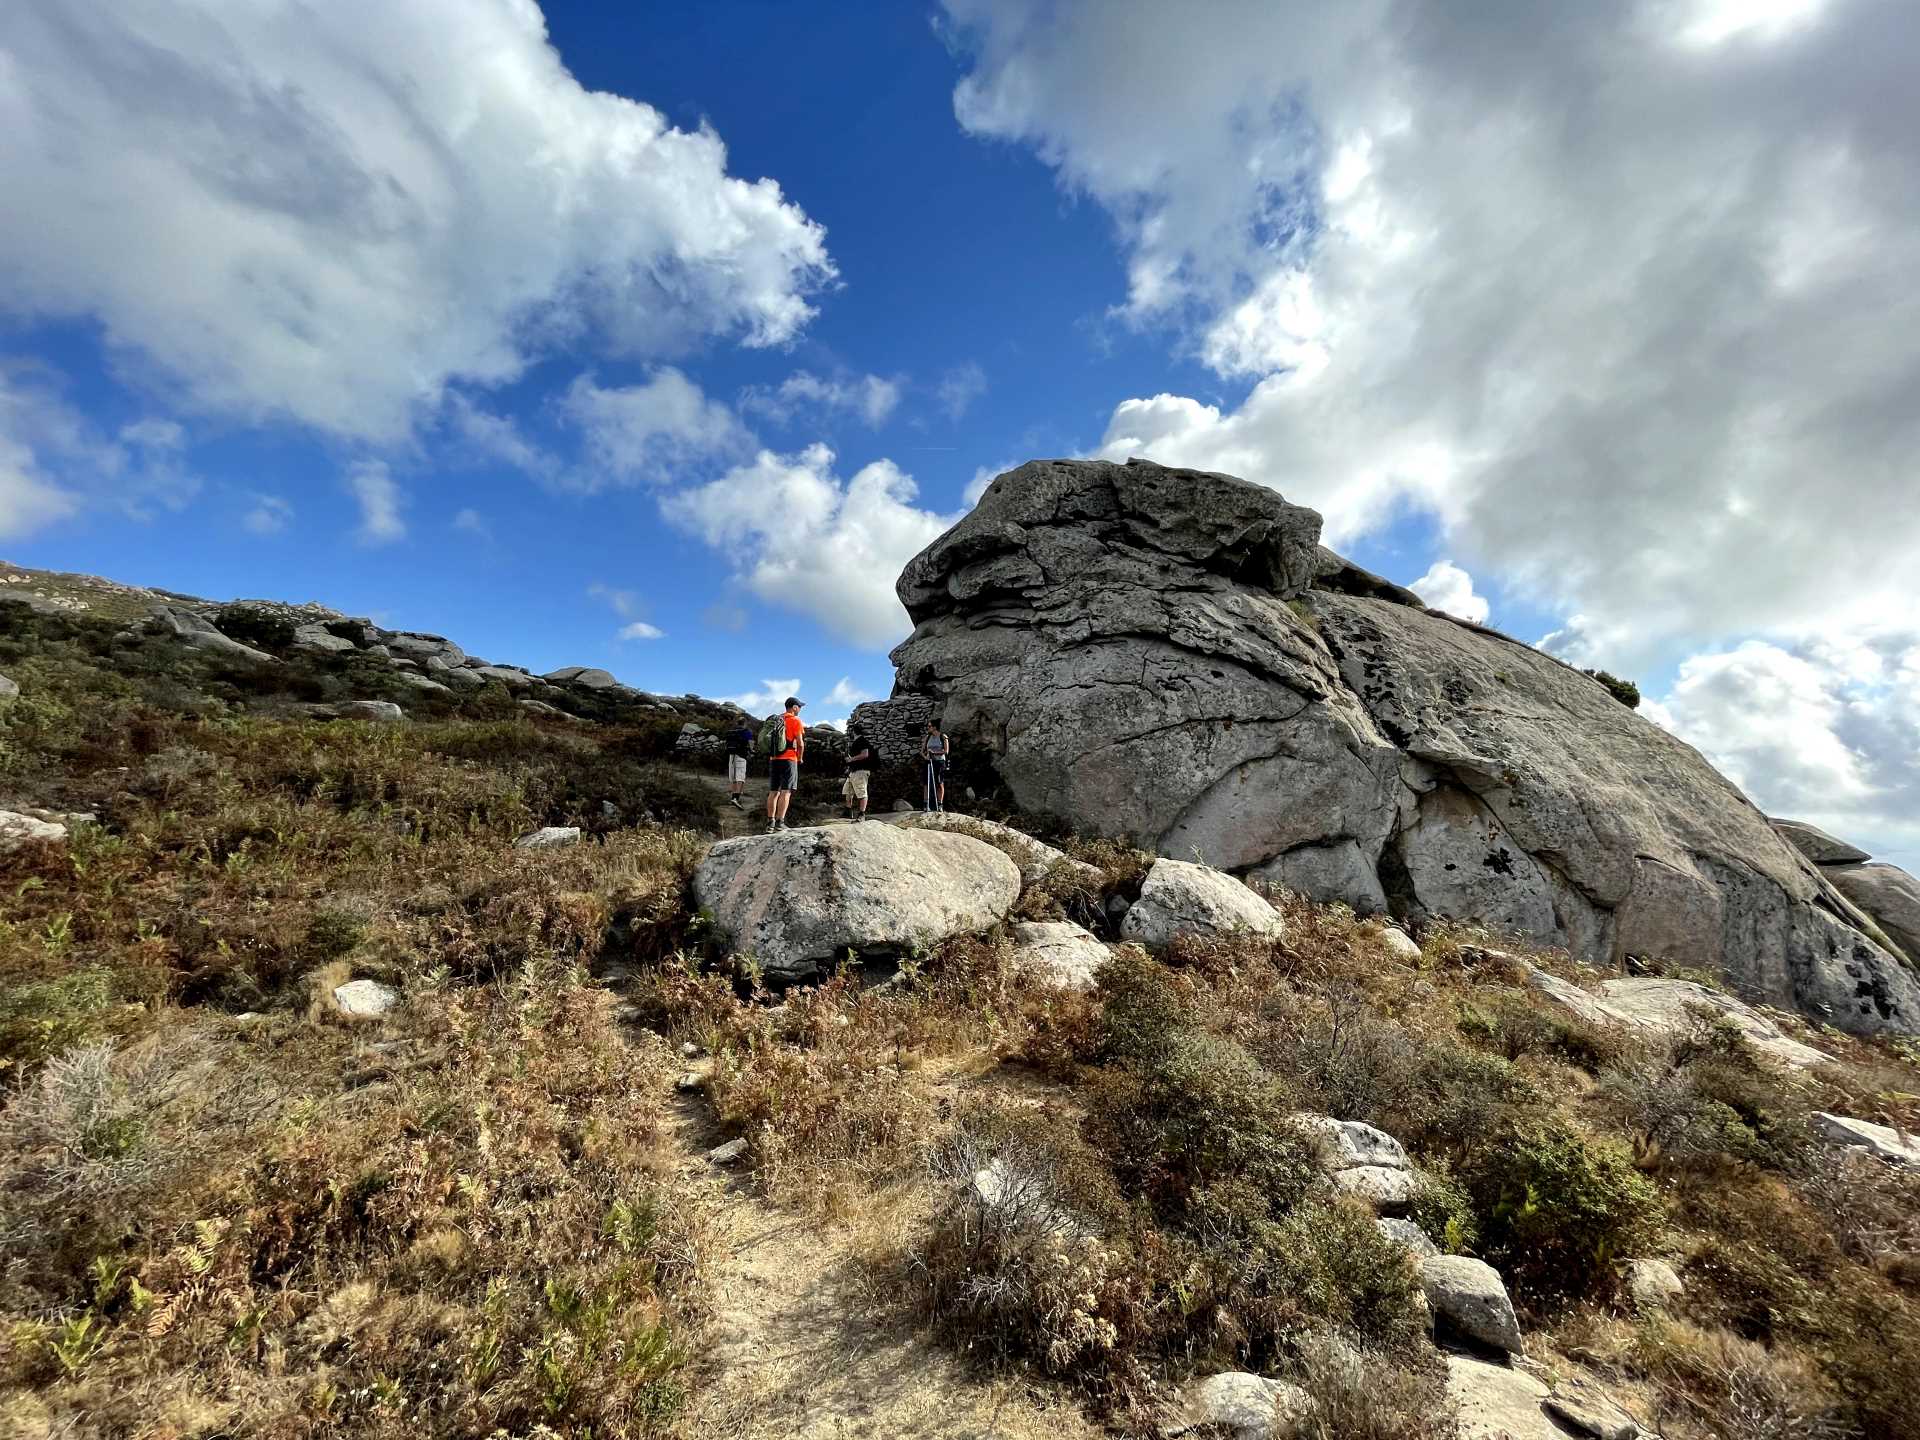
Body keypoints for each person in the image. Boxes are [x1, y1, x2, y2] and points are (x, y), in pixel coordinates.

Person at [766, 696, 806, 833]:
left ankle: (769, 823)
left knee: (773, 792)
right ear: (794, 707)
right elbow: (800, 743)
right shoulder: (795, 720)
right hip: (789, 759)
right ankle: (780, 823)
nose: (800, 709)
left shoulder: (776, 720)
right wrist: (800, 758)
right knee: (786, 792)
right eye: (799, 706)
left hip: (774, 758)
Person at [842, 723, 875, 821]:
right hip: (854, 771)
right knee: (848, 791)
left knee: (861, 792)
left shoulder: (862, 741)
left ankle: (862, 814)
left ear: (853, 731)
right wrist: (849, 767)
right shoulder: (857, 741)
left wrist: (851, 760)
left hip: (861, 771)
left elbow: (865, 754)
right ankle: (848, 811)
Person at [920, 719, 951, 812]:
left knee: (940, 783)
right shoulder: (927, 737)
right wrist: (925, 756)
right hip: (929, 762)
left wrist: (934, 753)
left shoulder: (943, 737)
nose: (928, 728)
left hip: (939, 762)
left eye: (929, 726)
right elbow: (922, 751)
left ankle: (940, 804)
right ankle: (926, 804)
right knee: (926, 783)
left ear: (934, 727)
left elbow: (946, 751)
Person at [724, 720, 754, 808]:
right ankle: (736, 799)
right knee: (740, 778)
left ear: (737, 724)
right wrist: (751, 751)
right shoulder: (746, 732)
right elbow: (750, 744)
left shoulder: (731, 732)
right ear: (745, 724)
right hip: (741, 756)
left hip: (731, 756)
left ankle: (733, 797)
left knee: (733, 778)